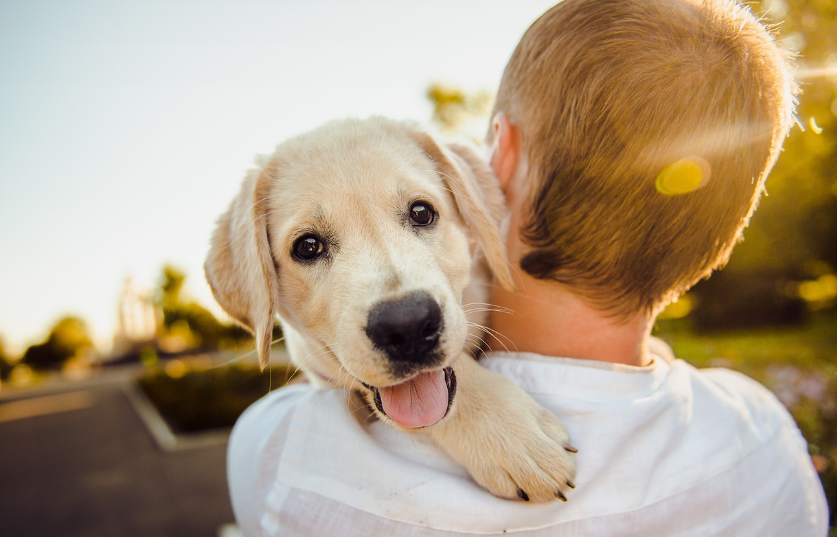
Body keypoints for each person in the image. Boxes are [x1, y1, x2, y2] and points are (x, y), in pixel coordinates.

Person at [227, 0, 829, 535]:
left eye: (419, 213)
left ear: (499, 160)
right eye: (310, 247)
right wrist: (465, 403)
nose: (401, 302)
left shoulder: (283, 456)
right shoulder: (766, 442)